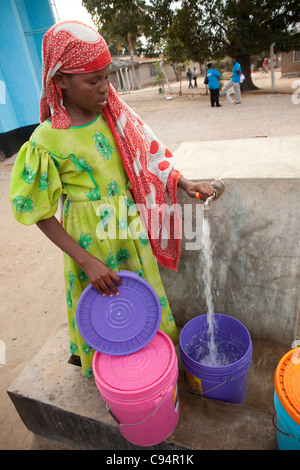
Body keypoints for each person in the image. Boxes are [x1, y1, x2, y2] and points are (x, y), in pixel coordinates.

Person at [9, 21, 214, 377]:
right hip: (90, 241)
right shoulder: (47, 141)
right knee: (104, 310)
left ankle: (151, 368)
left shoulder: (114, 117)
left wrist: (183, 182)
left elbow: (146, 158)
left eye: (107, 77)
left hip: (128, 229)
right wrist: (86, 261)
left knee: (142, 303)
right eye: (93, 80)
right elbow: (39, 211)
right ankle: (111, 375)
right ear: (60, 80)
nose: (105, 88)